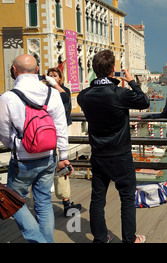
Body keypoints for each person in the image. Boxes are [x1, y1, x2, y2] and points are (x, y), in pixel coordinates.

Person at [77, 50, 149, 243]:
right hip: (120, 155)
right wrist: (132, 81)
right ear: (112, 70)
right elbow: (144, 102)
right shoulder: (120, 93)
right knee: (126, 198)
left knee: (97, 199)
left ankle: (100, 239)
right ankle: (129, 239)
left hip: (98, 155)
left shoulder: (83, 96)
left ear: (94, 69)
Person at [0, 54, 70, 243]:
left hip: (23, 159)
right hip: (49, 156)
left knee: (13, 200)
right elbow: (60, 127)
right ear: (37, 70)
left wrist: (16, 145)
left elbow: (4, 133)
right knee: (44, 201)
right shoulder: (52, 93)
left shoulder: (7, 98)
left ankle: (40, 241)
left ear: (14, 70)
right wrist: (63, 155)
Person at [46, 67, 81, 217]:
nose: (53, 78)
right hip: (47, 136)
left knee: (61, 171)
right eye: (50, 76)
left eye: (55, 75)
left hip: (57, 136)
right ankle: (64, 205)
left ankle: (66, 203)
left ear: (61, 78)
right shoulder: (43, 91)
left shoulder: (63, 92)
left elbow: (65, 102)